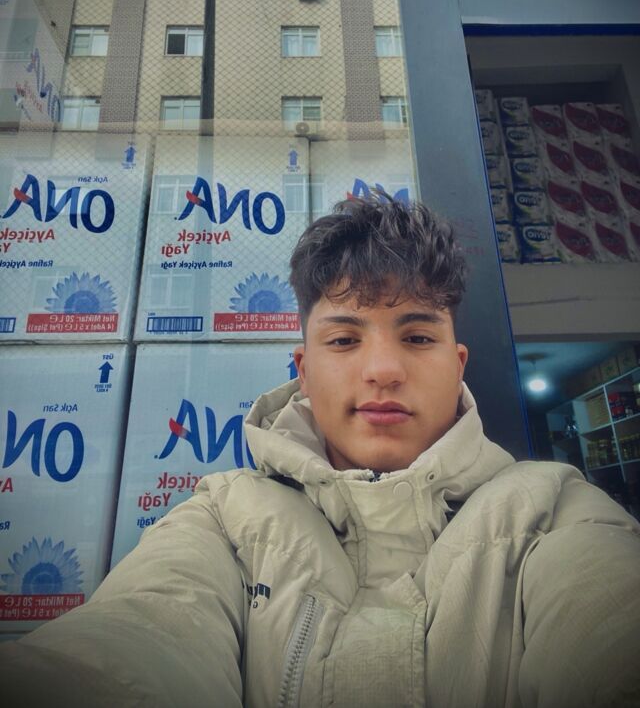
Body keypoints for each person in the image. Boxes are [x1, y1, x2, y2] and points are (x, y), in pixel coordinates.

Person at [2, 195, 640, 708]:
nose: (383, 369)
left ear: (458, 364)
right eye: (343, 341)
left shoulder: (555, 511)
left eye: (418, 337)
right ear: (303, 372)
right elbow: (134, 641)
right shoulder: (221, 520)